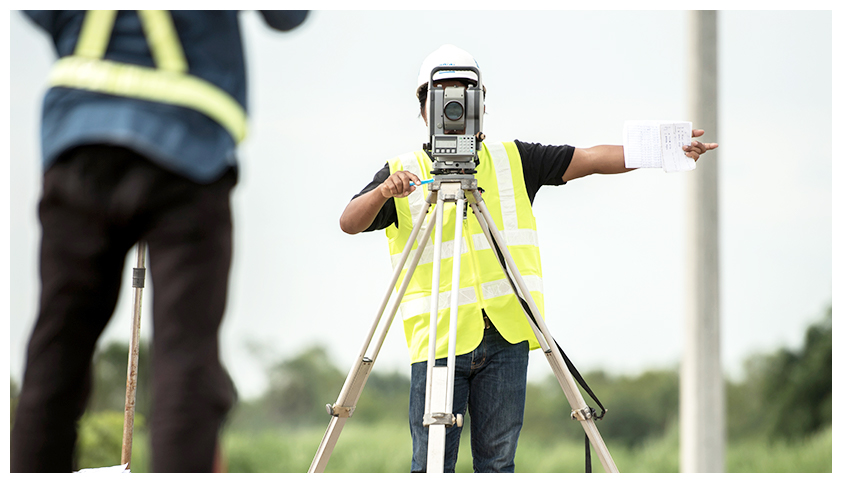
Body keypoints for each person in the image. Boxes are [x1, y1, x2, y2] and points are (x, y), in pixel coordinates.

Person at [339, 44, 718, 473]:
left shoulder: (513, 160)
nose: (454, 106)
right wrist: (385, 191)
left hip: (507, 337)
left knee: (499, 465)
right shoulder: (401, 172)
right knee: (431, 468)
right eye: (444, 95)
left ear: (482, 102)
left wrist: (664, 150)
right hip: (440, 340)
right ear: (423, 105)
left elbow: (589, 159)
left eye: (464, 94)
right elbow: (350, 221)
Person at [11, 10, 308, 472]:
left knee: (56, 355)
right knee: (186, 361)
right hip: (190, 150)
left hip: (79, 135)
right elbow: (286, 15)